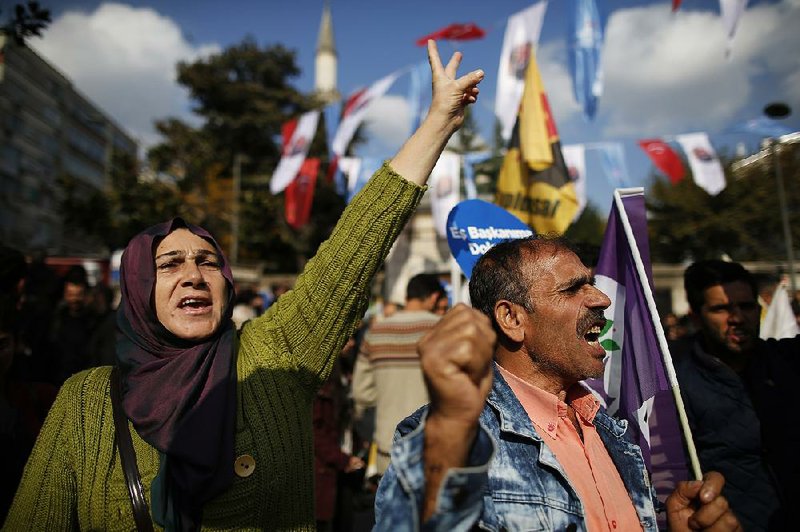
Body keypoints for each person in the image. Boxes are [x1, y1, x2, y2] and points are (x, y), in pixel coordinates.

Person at [4, 40, 484, 530]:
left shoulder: (275, 354)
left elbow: (353, 249)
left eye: (209, 261)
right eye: (169, 265)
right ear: (138, 291)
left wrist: (439, 121)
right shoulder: (85, 404)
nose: (193, 273)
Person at [375, 236, 741, 531]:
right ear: (512, 318)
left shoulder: (610, 429)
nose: (600, 299)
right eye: (573, 289)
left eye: (593, 284)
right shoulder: (449, 437)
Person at [672, 260, 799, 531]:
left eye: (746, 306)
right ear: (696, 316)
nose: (737, 318)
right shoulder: (675, 386)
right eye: (721, 309)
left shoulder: (786, 363)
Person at [352, 273, 446, 475]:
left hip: (389, 444)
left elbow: (361, 392)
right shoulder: (444, 330)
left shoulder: (376, 331)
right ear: (433, 298)